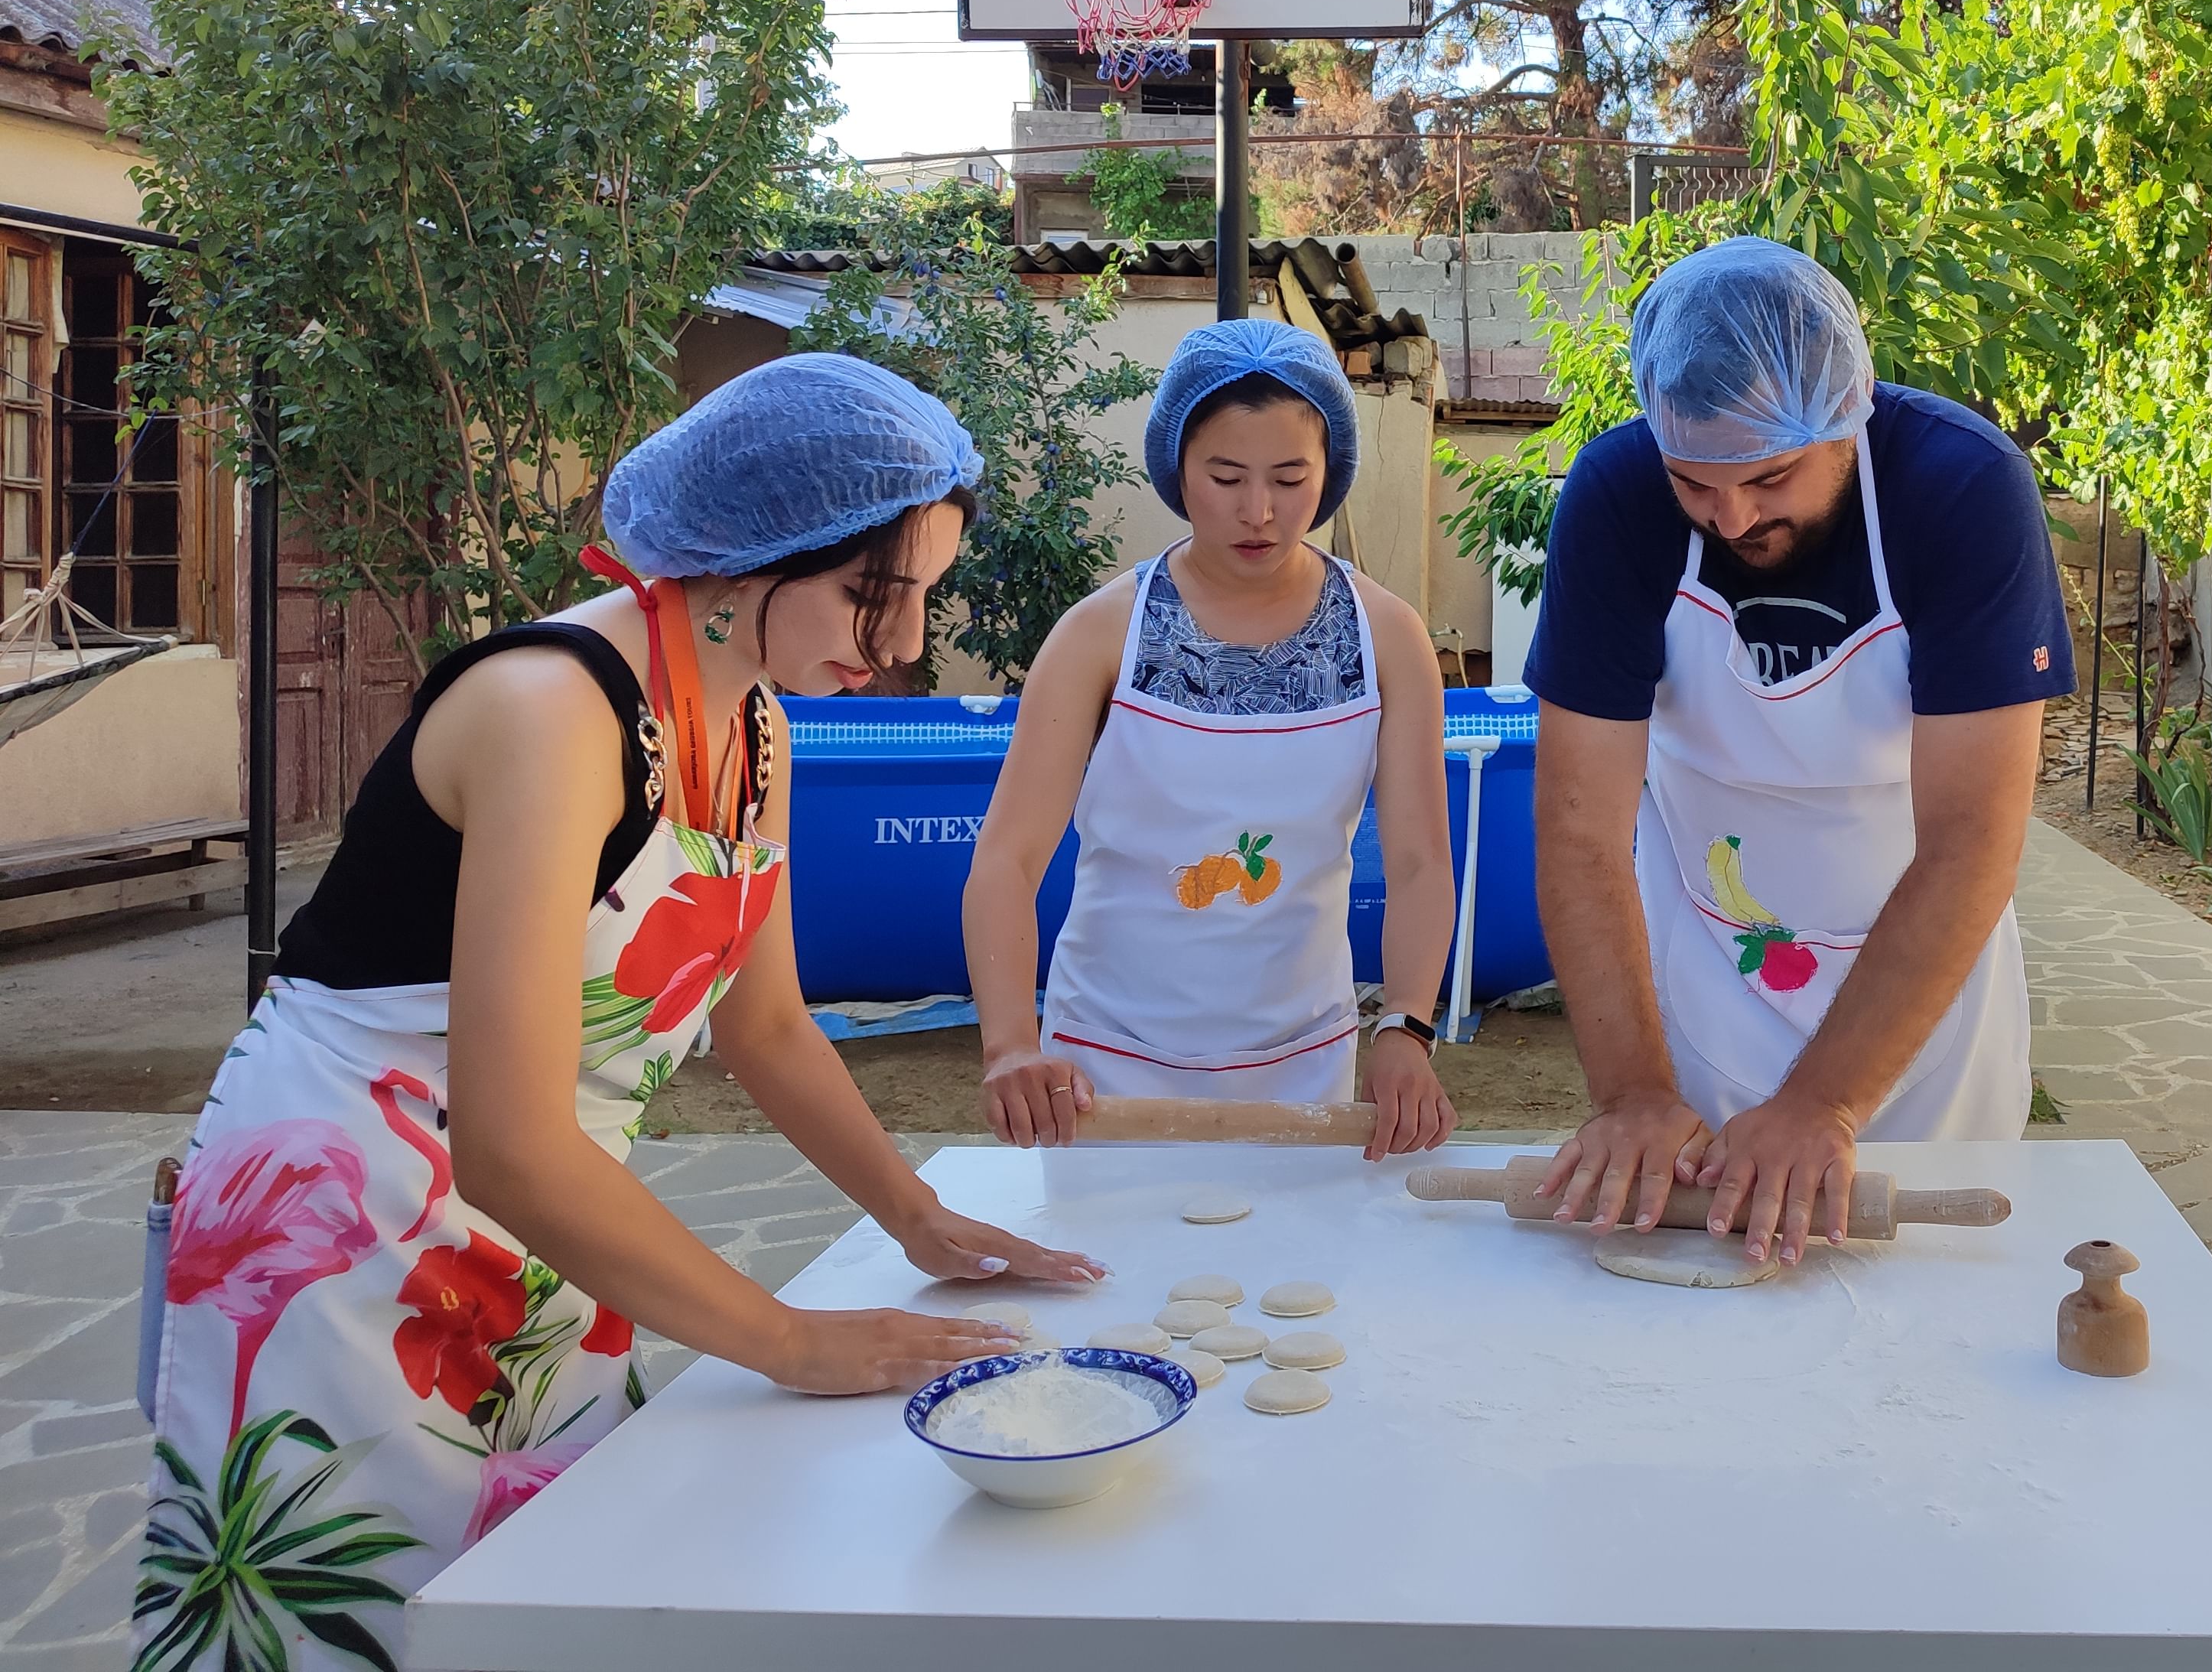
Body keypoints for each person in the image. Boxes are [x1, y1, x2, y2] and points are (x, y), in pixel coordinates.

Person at [138, 355, 1098, 1672]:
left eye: (923, 596)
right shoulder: (552, 712)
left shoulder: (756, 725)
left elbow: (767, 1027)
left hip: (542, 1208)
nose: (906, 643)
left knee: (545, 1586)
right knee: (353, 1613)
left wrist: (917, 1214)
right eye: (877, 595)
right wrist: (787, 1341)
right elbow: (511, 1140)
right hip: (338, 1225)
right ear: (756, 551)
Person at [1525, 238, 2071, 1265]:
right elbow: (1579, 828)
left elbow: (1971, 842)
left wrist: (1827, 1101)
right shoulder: (1616, 498)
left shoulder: (1961, 492)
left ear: (1847, 416)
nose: (1733, 518)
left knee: (1928, 1309)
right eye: (1695, 483)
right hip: (1712, 962)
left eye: (1770, 477)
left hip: (1922, 985)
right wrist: (1635, 1093)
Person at [964, 320, 1457, 1158]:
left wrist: (1406, 1028)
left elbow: (1417, 863)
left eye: (1290, 478)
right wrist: (1011, 1043)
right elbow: (1007, 859)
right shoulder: (1100, 636)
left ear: (1330, 472)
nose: (1258, 511)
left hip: (1302, 1063)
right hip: (1106, 1067)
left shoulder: (1387, 638)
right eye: (1225, 476)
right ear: (1176, 470)